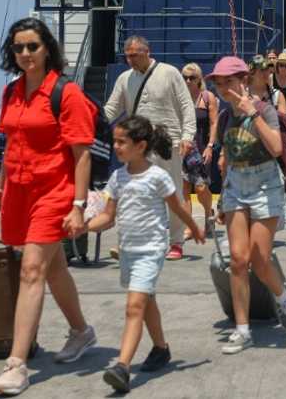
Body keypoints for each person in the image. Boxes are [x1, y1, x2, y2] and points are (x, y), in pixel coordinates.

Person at [0, 18, 97, 395]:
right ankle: (81, 332)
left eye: (32, 46)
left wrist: (78, 205)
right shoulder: (11, 92)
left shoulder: (67, 93)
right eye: (18, 48)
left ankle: (16, 364)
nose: (26, 54)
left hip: (54, 191)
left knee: (32, 270)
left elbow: (82, 155)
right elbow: (11, 144)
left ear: (47, 48)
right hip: (19, 191)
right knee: (53, 269)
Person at [88, 117, 205, 393]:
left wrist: (194, 227)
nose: (115, 146)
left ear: (140, 146)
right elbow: (107, 217)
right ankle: (161, 349)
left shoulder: (157, 176)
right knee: (147, 299)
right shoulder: (117, 178)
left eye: (121, 142)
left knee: (134, 307)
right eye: (114, 141)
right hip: (128, 251)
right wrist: (81, 227)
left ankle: (122, 367)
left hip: (150, 251)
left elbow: (177, 206)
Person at [208, 57, 286, 354]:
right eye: (218, 83)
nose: (223, 88)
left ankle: (282, 296)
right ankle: (242, 330)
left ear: (243, 81)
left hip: (264, 186)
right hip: (236, 185)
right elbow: (227, 160)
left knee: (260, 260)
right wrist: (222, 199)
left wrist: (252, 113)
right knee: (237, 259)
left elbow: (275, 148)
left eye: (229, 82)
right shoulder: (223, 118)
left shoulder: (263, 109)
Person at [104, 36, 196, 261]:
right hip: (137, 146)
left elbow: (186, 104)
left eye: (134, 55)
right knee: (134, 194)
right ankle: (129, 241)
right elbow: (111, 109)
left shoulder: (169, 73)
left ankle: (176, 242)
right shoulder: (125, 79)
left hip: (168, 142)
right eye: (127, 55)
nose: (130, 60)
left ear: (147, 51)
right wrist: (90, 124)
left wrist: (187, 136)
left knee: (172, 191)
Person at [181, 63, 218, 237]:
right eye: (185, 77)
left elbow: (213, 123)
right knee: (184, 188)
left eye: (192, 77)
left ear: (199, 79)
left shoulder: (207, 97)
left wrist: (211, 146)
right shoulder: (179, 97)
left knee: (201, 188)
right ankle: (189, 227)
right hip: (183, 147)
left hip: (202, 147)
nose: (188, 81)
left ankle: (208, 213)